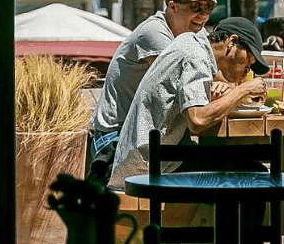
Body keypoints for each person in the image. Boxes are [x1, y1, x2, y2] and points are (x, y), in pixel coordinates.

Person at [109, 16, 269, 190]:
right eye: (249, 61)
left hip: (150, 160)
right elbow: (197, 121)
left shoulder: (191, 42)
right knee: (254, 174)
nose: (248, 70)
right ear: (232, 42)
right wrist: (243, 90)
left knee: (239, 166)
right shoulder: (196, 56)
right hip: (147, 169)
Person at [89, 0, 218, 178]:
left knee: (218, 171)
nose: (203, 16)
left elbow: (213, 78)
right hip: (117, 137)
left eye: (208, 8)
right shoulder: (154, 33)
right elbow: (182, 86)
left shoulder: (194, 32)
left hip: (149, 135)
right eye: (196, 8)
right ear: (173, 7)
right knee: (213, 175)